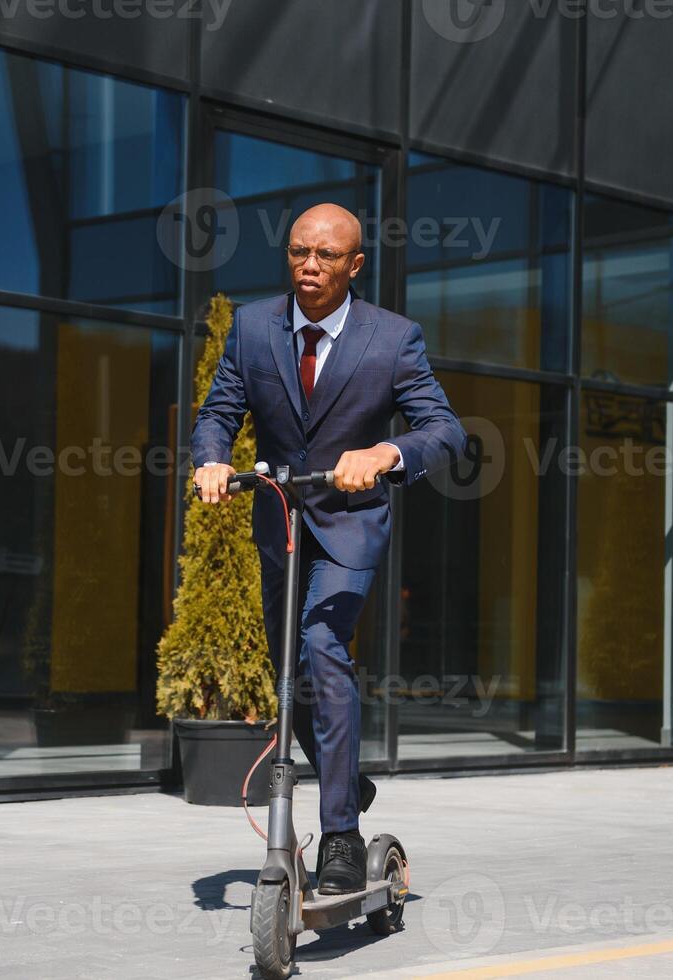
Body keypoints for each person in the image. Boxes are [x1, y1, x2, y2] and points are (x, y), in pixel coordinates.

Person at [192, 203, 465, 894]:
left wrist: (384, 451)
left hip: (349, 524)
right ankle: (351, 781)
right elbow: (220, 411)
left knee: (320, 645)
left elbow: (443, 429)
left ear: (355, 265)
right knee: (292, 671)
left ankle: (340, 833)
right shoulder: (254, 327)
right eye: (297, 253)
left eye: (325, 256)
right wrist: (213, 459)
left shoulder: (393, 339)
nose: (309, 266)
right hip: (280, 518)